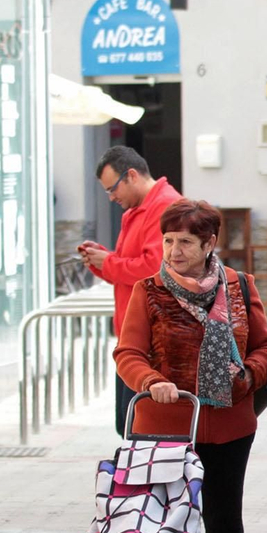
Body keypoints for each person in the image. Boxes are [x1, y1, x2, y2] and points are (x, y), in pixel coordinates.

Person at [113, 199, 267, 533]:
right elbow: (128, 354)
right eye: (168, 240)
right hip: (164, 427)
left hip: (227, 425)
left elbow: (265, 346)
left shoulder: (240, 287)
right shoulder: (148, 291)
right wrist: (152, 381)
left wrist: (247, 374)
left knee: (223, 521)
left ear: (209, 243)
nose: (173, 250)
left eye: (184, 241)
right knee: (160, 524)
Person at [81, 145, 183, 432]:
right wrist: (101, 260)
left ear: (132, 175)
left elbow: (154, 270)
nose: (112, 197)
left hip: (152, 340)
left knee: (140, 427)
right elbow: (127, 269)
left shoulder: (164, 207)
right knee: (127, 424)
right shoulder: (138, 209)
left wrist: (108, 261)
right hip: (133, 336)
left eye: (113, 188)